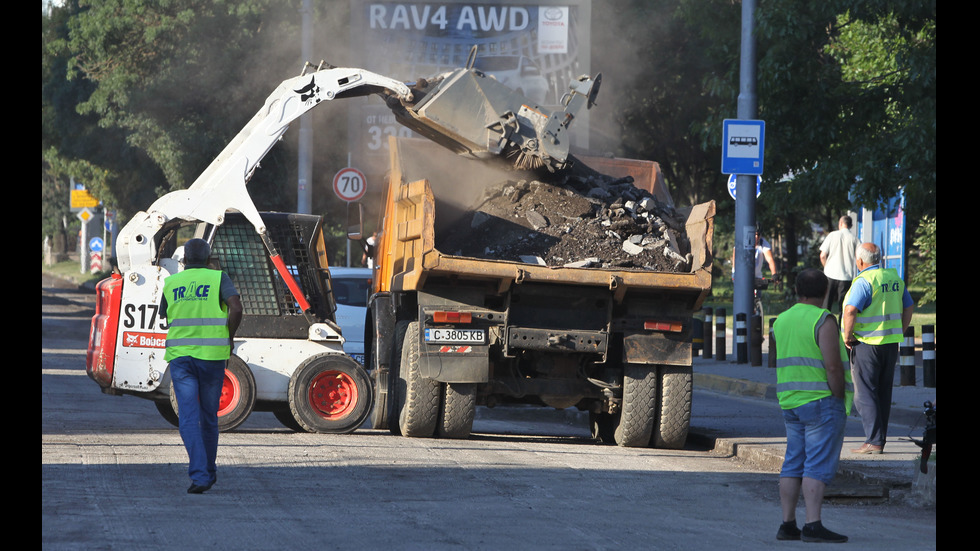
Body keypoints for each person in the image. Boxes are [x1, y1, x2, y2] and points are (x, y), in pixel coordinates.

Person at [772, 268, 853, 543]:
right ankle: (813, 525)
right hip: (820, 401)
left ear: (797, 291)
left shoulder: (781, 321)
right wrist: (838, 396)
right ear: (826, 292)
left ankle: (787, 524)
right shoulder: (823, 319)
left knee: (793, 462)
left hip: (790, 402)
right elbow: (832, 365)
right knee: (816, 464)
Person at [161, 238, 243, 494]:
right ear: (209, 259)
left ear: (184, 259)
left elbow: (163, 314)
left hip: (181, 357)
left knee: (187, 417)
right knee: (209, 416)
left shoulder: (171, 282)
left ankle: (201, 474)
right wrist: (229, 337)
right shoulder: (219, 278)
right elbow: (237, 308)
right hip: (212, 357)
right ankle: (207, 471)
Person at [841, 242, 914, 455]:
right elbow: (908, 305)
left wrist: (848, 336)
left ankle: (873, 440)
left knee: (863, 393)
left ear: (861, 261)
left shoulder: (864, 281)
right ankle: (878, 440)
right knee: (883, 392)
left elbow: (851, 310)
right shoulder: (893, 278)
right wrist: (900, 328)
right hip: (890, 344)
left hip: (867, 343)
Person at [819, 216, 860, 315]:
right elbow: (859, 257)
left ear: (840, 223)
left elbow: (823, 255)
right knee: (843, 306)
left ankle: (823, 325)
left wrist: (826, 267)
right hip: (846, 276)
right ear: (851, 225)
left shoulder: (832, 235)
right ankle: (842, 328)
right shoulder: (855, 239)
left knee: (826, 304)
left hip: (830, 274)